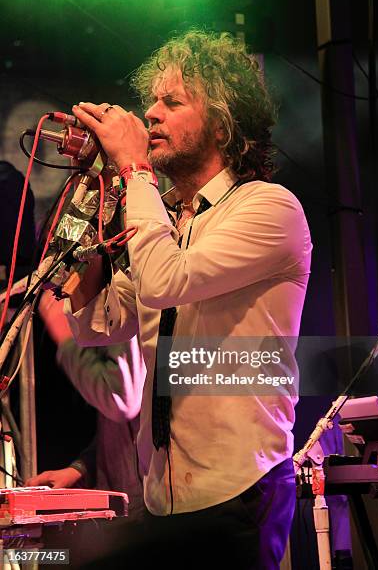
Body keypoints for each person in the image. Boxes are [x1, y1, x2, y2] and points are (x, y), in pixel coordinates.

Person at [65, 30, 312, 568]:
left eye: (172, 102)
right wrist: (102, 202)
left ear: (221, 125)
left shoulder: (270, 209)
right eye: (151, 100)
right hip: (163, 492)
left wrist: (133, 170)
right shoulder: (166, 220)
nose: (150, 114)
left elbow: (163, 281)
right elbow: (96, 324)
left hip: (238, 488)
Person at [29, 291, 146, 522]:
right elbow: (126, 428)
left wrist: (66, 339)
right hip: (131, 512)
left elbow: (121, 400)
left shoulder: (125, 291)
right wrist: (81, 468)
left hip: (152, 518)